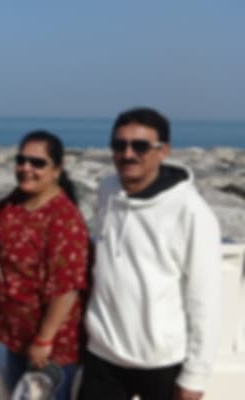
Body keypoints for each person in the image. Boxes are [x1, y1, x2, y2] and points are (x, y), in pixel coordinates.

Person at [78, 108, 222, 400]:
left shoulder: (190, 211)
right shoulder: (107, 191)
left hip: (161, 361)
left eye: (140, 146)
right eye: (119, 145)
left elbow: (205, 298)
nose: (128, 154)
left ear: (163, 151)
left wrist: (195, 376)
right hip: (103, 355)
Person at [0, 130, 88, 400]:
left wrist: (43, 339)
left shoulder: (64, 219)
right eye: (21, 160)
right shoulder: (13, 202)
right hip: (17, 337)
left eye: (37, 163)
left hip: (49, 349)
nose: (26, 168)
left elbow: (67, 289)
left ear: (56, 170)